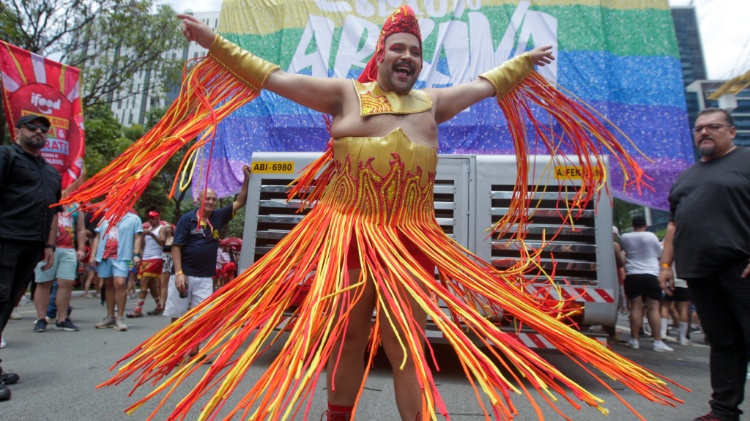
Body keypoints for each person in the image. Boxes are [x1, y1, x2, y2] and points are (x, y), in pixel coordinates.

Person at [100, 8, 680, 420]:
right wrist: (214, 43)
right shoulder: (345, 96)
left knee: (407, 341)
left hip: (409, 243)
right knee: (351, 339)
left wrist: (522, 64)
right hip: (347, 238)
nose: (406, 58)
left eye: (415, 52)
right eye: (397, 49)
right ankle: (337, 415)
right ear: (379, 55)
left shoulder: (433, 103)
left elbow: (486, 83)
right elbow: (270, 76)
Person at [659, 107, 750, 421]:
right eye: (699, 128)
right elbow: (673, 225)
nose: (704, 133)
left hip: (740, 267)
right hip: (699, 272)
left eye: (713, 126)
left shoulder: (746, 161)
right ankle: (723, 412)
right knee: (723, 342)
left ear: (731, 131)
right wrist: (666, 265)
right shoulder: (688, 175)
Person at [0, 114, 61, 401]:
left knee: (9, 300)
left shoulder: (50, 172)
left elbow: (52, 212)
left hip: (32, 245)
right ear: (17, 131)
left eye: (44, 130)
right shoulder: (6, 156)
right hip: (5, 238)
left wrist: (49, 246)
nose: (39, 132)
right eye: (32, 127)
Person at [164, 169, 250, 325]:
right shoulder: (187, 219)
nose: (211, 202)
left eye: (214, 199)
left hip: (205, 277)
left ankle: (193, 349)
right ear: (199, 200)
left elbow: (240, 202)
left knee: (201, 317)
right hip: (185, 274)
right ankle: (176, 349)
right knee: (178, 315)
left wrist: (246, 179)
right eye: (208, 199)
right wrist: (179, 273)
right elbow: (176, 248)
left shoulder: (217, 217)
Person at [620, 215, 673, 352]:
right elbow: (659, 253)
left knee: (636, 308)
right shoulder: (651, 236)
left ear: (633, 224)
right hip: (651, 274)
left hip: (632, 275)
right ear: (646, 225)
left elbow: (624, 252)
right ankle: (657, 342)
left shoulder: (625, 237)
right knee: (653, 308)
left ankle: (634, 340)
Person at [31, 201, 86, 332]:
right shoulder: (48, 199)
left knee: (66, 283)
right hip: (47, 248)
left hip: (68, 249)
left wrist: (81, 248)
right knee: (44, 282)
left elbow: (81, 229)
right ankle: (41, 318)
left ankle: (62, 319)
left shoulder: (75, 206)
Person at [90, 210, 143, 332]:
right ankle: (110, 317)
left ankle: (120, 318)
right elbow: (97, 237)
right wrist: (93, 254)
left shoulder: (133, 218)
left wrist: (136, 254)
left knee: (119, 284)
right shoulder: (105, 217)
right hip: (105, 256)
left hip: (123, 257)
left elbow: (138, 237)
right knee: (108, 285)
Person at [127, 209, 165, 318]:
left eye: (152, 218)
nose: (150, 220)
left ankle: (138, 310)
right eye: (149, 218)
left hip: (155, 258)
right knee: (151, 285)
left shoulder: (161, 229)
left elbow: (163, 243)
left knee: (143, 282)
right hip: (146, 258)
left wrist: (152, 235)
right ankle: (159, 307)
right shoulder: (147, 229)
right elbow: (144, 244)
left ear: (158, 217)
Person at [158, 223, 175, 311]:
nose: (167, 229)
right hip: (164, 259)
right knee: (163, 283)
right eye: (166, 228)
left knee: (171, 282)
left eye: (169, 228)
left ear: (172, 230)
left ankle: (169, 302)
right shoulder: (163, 240)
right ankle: (162, 303)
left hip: (172, 259)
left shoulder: (174, 239)